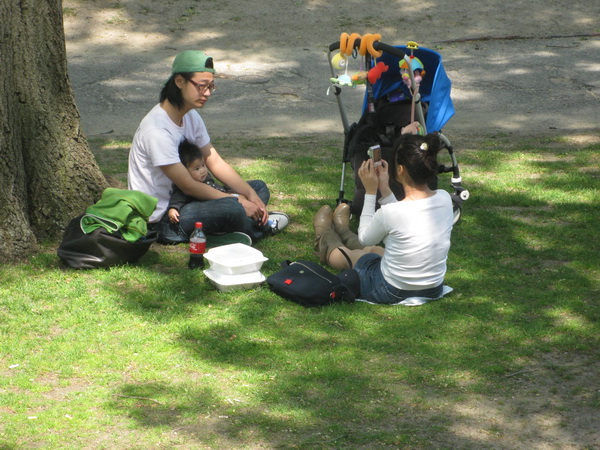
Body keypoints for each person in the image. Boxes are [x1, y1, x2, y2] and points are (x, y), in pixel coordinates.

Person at [127, 50, 288, 243]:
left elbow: (215, 161)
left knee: (257, 188)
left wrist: (250, 195)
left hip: (194, 201)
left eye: (211, 86)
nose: (208, 93)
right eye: (202, 86)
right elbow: (188, 186)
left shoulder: (190, 115)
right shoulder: (156, 130)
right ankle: (259, 228)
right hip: (167, 217)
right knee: (233, 207)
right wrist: (238, 201)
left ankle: (229, 227)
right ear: (179, 81)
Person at [313, 131, 454, 304]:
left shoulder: (390, 213)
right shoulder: (444, 198)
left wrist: (370, 192)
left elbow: (365, 239)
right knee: (376, 251)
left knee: (359, 256)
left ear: (400, 169)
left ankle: (324, 237)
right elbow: (403, 217)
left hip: (391, 290)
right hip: (432, 289)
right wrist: (384, 187)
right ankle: (343, 231)